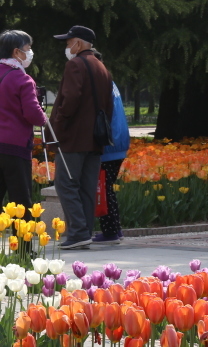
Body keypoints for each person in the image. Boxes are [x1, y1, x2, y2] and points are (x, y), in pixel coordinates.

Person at [50, 25, 113, 250]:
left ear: (78, 42)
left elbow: (70, 99)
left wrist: (58, 124)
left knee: (66, 184)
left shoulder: (75, 64)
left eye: (69, 42)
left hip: (73, 138)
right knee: (86, 187)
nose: (67, 46)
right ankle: (85, 232)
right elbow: (109, 106)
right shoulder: (101, 66)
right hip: (96, 138)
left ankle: (77, 232)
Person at [0, 30, 47, 208]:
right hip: (15, 147)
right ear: (16, 52)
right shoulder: (22, 79)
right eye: (27, 48)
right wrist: (44, 118)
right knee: (20, 200)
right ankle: (22, 236)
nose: (30, 53)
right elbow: (33, 114)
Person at [91, 51, 129, 245]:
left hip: (108, 144)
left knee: (104, 189)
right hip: (118, 142)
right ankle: (115, 229)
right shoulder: (110, 83)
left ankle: (111, 231)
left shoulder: (100, 85)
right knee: (107, 188)